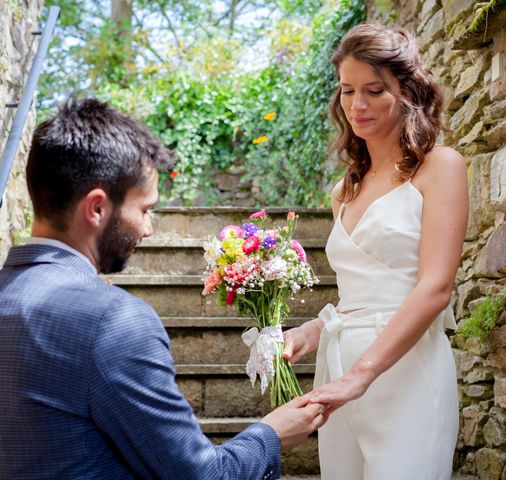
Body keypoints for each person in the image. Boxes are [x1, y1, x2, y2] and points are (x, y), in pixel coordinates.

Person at [0, 98, 325, 479]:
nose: (149, 228)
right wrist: (270, 434)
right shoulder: (112, 320)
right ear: (97, 208)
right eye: (144, 209)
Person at [283, 23, 468, 479]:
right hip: (338, 366)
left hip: (404, 368)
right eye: (347, 91)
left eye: (374, 90)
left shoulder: (440, 166)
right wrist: (313, 330)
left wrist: (361, 374)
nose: (357, 105)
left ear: (406, 92)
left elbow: (435, 288)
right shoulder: (343, 190)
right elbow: (358, 294)